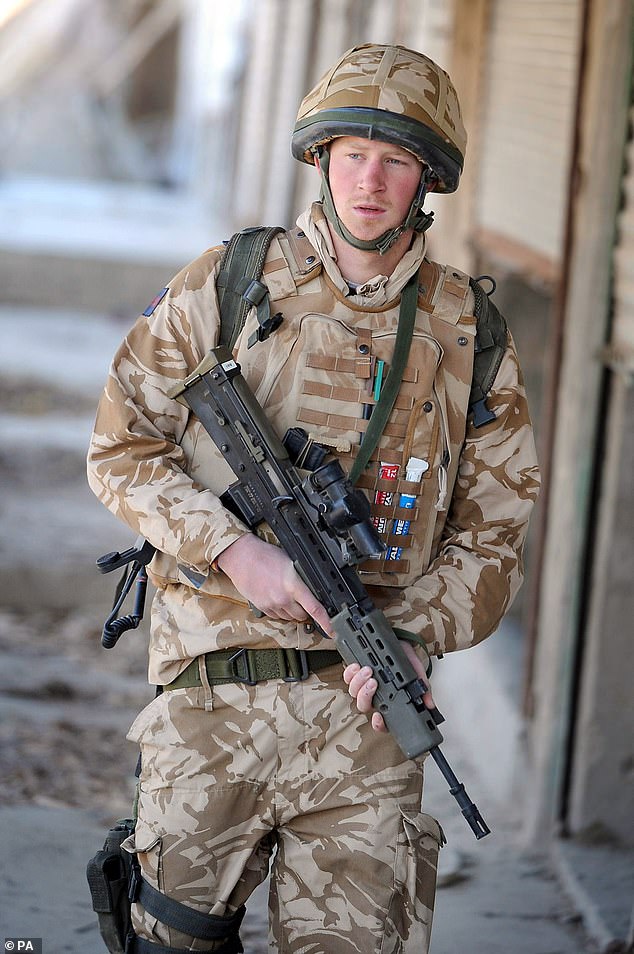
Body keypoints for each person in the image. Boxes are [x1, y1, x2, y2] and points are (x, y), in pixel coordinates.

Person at [87, 43, 540, 954]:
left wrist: (414, 637)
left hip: (369, 723)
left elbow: (495, 537)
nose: (370, 180)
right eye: (352, 152)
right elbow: (120, 447)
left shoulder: (469, 332)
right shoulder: (231, 283)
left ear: (428, 179)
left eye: (397, 159)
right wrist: (231, 549)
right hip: (212, 701)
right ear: (321, 158)